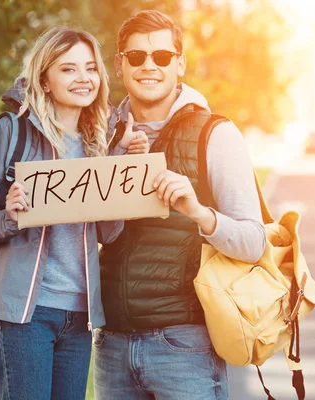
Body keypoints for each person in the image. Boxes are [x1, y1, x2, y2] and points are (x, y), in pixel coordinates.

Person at [0, 27, 148, 400]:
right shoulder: (13, 132)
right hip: (23, 316)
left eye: (91, 68)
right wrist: (10, 216)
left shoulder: (99, 142)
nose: (84, 79)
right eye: (68, 69)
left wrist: (123, 166)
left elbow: (108, 233)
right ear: (44, 80)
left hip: (79, 316)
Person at [93, 10, 267, 399]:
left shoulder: (215, 134)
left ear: (180, 63)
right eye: (136, 57)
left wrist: (199, 213)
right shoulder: (101, 135)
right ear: (120, 65)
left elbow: (254, 242)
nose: (149, 66)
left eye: (162, 56)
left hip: (184, 345)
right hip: (112, 345)